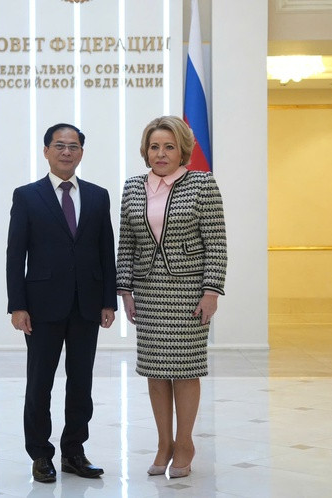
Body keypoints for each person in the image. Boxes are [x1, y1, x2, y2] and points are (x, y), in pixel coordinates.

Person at [116, 116, 227, 478]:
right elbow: (127, 243)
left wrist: (211, 291)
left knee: (185, 368)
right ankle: (163, 443)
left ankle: (184, 442)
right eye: (154, 146)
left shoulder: (202, 184)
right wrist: (125, 289)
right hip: (148, 291)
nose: (160, 153)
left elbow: (216, 243)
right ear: (145, 151)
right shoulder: (133, 187)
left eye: (168, 146)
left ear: (182, 151)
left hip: (188, 292)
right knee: (155, 370)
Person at [6, 123, 117, 483]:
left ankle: (74, 452)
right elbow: (14, 254)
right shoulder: (27, 196)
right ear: (46, 151)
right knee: (39, 382)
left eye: (73, 146)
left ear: (82, 152)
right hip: (40, 307)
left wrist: (108, 300)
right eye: (59, 145)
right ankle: (40, 454)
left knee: (80, 382)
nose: (66, 151)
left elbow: (105, 251)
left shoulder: (98, 196)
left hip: (86, 305)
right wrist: (17, 305)